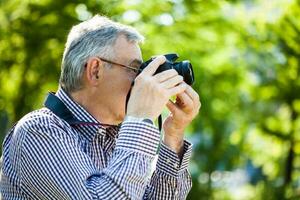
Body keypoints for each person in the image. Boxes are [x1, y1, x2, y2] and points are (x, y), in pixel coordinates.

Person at [0, 15, 200, 199]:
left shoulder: (114, 137)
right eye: (134, 69)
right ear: (95, 70)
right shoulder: (39, 131)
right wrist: (140, 118)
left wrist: (173, 135)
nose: (142, 80)